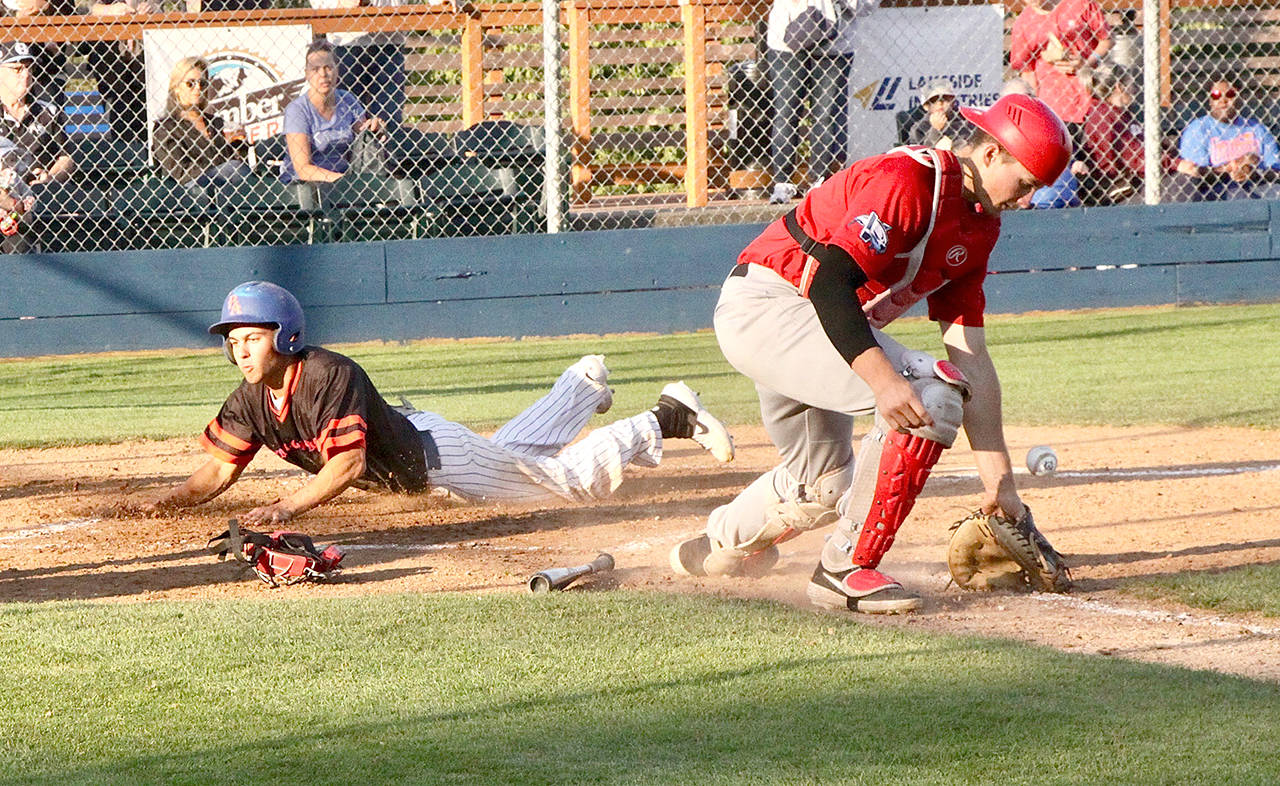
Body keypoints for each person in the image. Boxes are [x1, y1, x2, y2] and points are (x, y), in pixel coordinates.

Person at [669, 94, 1073, 614]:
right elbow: (830, 284)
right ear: (992, 153)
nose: (1029, 200)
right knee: (933, 396)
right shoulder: (910, 181)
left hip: (822, 327)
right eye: (1026, 183)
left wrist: (1003, 489)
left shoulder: (979, 224)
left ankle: (717, 547)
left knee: (827, 484)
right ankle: (844, 569)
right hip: (771, 307)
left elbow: (970, 353)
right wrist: (885, 381)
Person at [145, 281, 736, 526]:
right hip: (422, 441)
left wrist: (284, 508)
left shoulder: (329, 374)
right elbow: (220, 468)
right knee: (512, 454)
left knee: (562, 483)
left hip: (436, 460)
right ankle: (581, 387)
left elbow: (347, 466)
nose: (241, 350)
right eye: (233, 341)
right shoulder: (250, 399)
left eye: (252, 337)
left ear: (286, 335)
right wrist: (162, 503)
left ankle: (666, 416)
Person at [764, 0, 868, 204]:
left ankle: (819, 182)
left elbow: (867, 6)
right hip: (787, 39)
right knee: (786, 110)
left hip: (836, 45)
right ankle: (782, 184)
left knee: (826, 115)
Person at [280, 40, 384, 184]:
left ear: (337, 70)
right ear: (306, 74)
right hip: (305, 187)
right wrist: (344, 181)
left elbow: (363, 131)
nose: (323, 74)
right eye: (315, 69)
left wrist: (374, 127)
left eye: (328, 67)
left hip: (345, 182)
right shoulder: (297, 110)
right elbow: (302, 168)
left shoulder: (347, 100)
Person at [308, 0, 418, 127]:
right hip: (345, 39)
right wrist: (336, 4)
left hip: (389, 36)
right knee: (346, 117)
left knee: (389, 119)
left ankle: (387, 143)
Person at [1010, 0, 1111, 137]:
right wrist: (1036, 109)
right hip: (1055, 105)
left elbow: (1106, 39)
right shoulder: (1023, 23)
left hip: (1092, 97)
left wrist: (1087, 64)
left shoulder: (1080, 4)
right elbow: (1027, 71)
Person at [152, 57, 250, 193]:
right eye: (190, 83)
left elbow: (233, 161)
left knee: (244, 171)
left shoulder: (215, 122)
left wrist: (238, 147)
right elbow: (181, 172)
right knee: (235, 169)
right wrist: (220, 163)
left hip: (226, 186)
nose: (198, 88)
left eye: (202, 83)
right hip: (190, 190)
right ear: (176, 89)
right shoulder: (165, 128)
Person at [1173, 78, 1280, 201]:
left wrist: (1253, 170)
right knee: (1239, 195)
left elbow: (1275, 168)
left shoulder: (1257, 128)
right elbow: (1196, 174)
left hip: (1258, 185)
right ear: (1209, 101)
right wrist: (1233, 166)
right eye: (1216, 95)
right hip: (1218, 190)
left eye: (1230, 94)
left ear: (1239, 98)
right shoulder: (1197, 130)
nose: (1223, 101)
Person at [0, 42, 73, 186]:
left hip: (42, 194)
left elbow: (66, 158)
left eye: (29, 68)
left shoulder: (48, 112)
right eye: (17, 69)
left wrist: (50, 178)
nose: (26, 75)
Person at [85, 1, 150, 144]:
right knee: (118, 109)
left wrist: (152, 9)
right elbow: (83, 8)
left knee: (146, 110)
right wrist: (109, 10)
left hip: (147, 60)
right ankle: (123, 152)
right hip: (110, 61)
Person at [1080, 66, 1144, 205]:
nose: (1135, 90)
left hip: (1136, 178)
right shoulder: (1104, 117)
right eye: (1131, 85)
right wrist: (1176, 164)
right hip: (1114, 189)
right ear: (1119, 87)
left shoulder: (1121, 113)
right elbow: (1134, 157)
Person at [905, 79, 968, 150]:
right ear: (926, 106)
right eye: (933, 100)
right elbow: (923, 153)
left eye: (945, 98)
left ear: (952, 102)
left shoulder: (963, 122)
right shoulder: (919, 128)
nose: (939, 103)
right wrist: (935, 129)